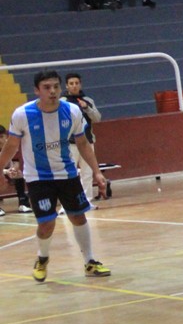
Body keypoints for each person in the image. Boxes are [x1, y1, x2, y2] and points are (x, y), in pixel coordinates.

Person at [0, 70, 110, 282]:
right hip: (38, 178)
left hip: (67, 174)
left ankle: (90, 261)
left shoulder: (72, 111)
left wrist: (97, 171)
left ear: (61, 89)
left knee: (78, 216)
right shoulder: (22, 114)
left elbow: (83, 143)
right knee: (46, 223)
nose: (52, 91)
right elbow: (11, 147)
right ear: (36, 90)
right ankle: (42, 258)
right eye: (46, 88)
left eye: (55, 87)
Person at [62, 72, 103, 201]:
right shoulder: (62, 102)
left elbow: (97, 118)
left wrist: (87, 108)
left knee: (87, 172)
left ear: (80, 84)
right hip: (69, 143)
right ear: (66, 86)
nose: (74, 86)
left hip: (87, 141)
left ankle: (87, 200)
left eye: (76, 83)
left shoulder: (88, 100)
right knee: (69, 173)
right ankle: (69, 201)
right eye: (71, 84)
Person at [0, 124, 32, 215]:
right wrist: (6, 171)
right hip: (2, 172)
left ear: (6, 136)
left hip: (8, 171)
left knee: (19, 174)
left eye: (2, 137)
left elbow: (16, 162)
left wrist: (14, 170)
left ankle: (23, 203)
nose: (0, 140)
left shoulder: (12, 147)